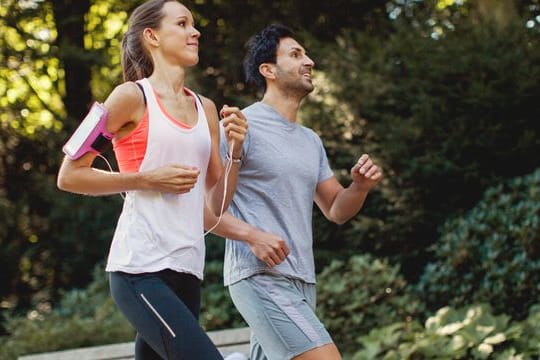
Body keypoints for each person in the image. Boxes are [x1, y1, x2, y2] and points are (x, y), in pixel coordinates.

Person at [57, 1, 248, 359]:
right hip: (140, 271)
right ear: (152, 36)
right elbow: (69, 175)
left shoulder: (205, 107)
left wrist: (234, 152)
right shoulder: (128, 97)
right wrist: (147, 179)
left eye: (194, 24)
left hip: (188, 270)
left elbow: (216, 206)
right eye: (182, 23)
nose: (196, 31)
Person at [205, 24, 383, 360]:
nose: (309, 61)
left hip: (302, 279)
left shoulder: (309, 140)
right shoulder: (240, 125)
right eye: (296, 54)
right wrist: (252, 236)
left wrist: (359, 186)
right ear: (268, 70)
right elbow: (209, 210)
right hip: (259, 275)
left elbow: (336, 209)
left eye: (306, 54)